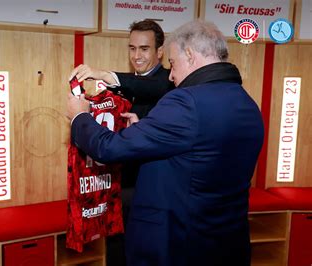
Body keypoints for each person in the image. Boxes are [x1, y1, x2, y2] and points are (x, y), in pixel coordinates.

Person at [67, 20, 264, 266]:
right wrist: (144, 131)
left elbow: (109, 148)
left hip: (179, 246)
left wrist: (79, 116)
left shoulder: (185, 102)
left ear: (190, 55)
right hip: (226, 244)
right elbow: (200, 154)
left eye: (172, 63)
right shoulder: (248, 103)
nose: (171, 75)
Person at [70, 19, 174, 266]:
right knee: (117, 248)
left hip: (149, 186)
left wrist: (106, 75)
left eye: (144, 49)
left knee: (143, 252)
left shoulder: (169, 82)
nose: (137, 55)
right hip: (118, 181)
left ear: (160, 52)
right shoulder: (122, 85)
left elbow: (153, 88)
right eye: (132, 48)